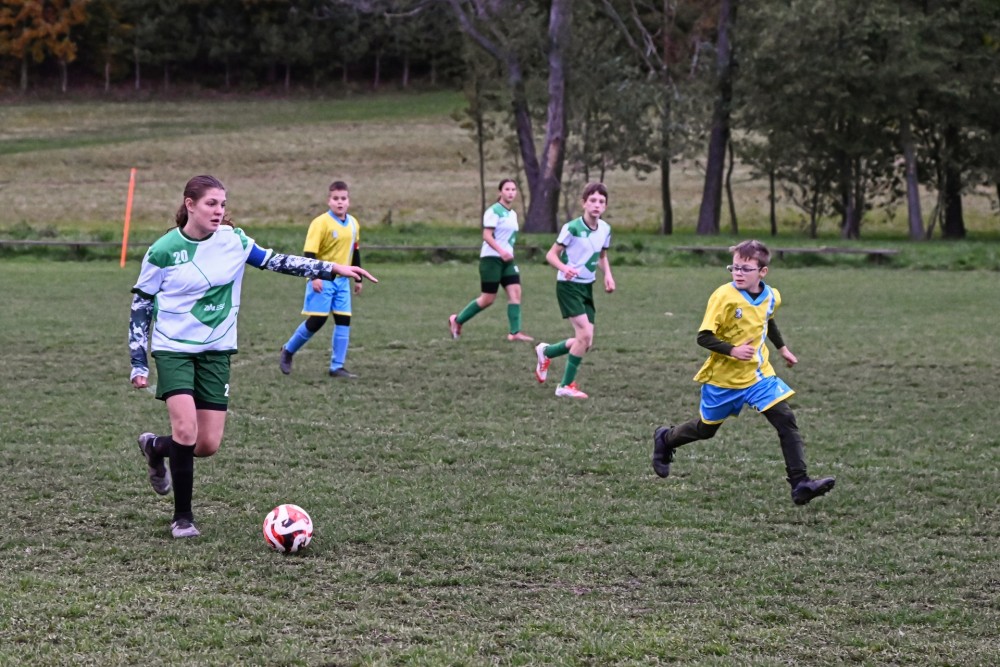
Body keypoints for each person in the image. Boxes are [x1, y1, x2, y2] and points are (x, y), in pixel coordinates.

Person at [128, 175, 377, 539]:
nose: (219, 211)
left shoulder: (234, 241)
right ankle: (183, 518)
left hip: (216, 350)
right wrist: (138, 360)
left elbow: (276, 261)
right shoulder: (163, 250)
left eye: (223, 204)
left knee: (206, 444)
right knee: (186, 430)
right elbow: (141, 305)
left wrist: (331, 268)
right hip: (174, 349)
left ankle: (154, 447)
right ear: (190, 204)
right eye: (211, 203)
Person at [650, 239, 835, 506]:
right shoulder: (723, 296)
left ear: (762, 272)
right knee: (706, 430)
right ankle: (665, 439)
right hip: (723, 379)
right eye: (734, 267)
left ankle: (800, 483)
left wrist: (782, 348)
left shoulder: (772, 296)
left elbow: (767, 320)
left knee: (785, 418)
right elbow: (703, 337)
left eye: (745, 269)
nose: (738, 273)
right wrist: (733, 350)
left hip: (757, 375)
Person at [532, 182, 615, 399]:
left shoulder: (605, 229)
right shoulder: (572, 228)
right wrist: (564, 268)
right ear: (584, 203)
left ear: (605, 206)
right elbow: (551, 255)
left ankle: (546, 351)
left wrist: (608, 275)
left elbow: (602, 256)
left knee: (585, 341)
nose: (596, 205)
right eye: (592, 200)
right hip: (568, 287)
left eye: (601, 201)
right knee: (584, 335)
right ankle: (565, 386)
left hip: (587, 287)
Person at [279, 180, 364, 379]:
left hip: (343, 281)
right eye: (336, 198)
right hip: (323, 278)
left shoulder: (353, 223)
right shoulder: (320, 223)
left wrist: (358, 278)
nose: (340, 202)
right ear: (329, 201)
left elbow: (355, 251)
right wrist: (314, 276)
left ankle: (337, 367)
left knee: (344, 320)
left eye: (343, 198)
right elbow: (309, 253)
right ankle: (288, 350)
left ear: (348, 201)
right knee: (318, 320)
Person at [448, 179, 533, 342]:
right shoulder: (494, 211)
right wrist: (501, 251)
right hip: (491, 260)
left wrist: (507, 252)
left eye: (513, 189)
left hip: (508, 260)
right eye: (507, 189)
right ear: (500, 192)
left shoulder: (513, 214)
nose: (511, 193)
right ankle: (457, 320)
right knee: (488, 299)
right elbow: (487, 235)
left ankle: (514, 333)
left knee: (515, 293)